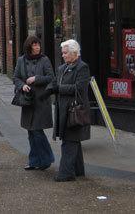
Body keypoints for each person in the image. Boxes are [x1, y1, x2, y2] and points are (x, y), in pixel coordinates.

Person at [47, 39, 90, 182]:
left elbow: (79, 88)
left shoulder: (82, 67)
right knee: (73, 139)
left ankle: (66, 173)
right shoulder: (62, 68)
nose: (63, 55)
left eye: (65, 53)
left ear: (74, 53)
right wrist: (49, 89)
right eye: (63, 53)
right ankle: (78, 171)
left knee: (69, 140)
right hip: (63, 109)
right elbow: (55, 83)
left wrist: (59, 89)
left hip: (74, 111)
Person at [13, 36, 55, 171]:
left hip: (41, 101)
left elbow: (51, 78)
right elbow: (16, 77)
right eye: (35, 45)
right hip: (27, 100)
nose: (37, 47)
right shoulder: (21, 60)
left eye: (38, 45)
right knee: (31, 132)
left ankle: (46, 159)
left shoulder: (44, 60)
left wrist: (36, 78)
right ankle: (34, 161)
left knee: (37, 131)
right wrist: (22, 86)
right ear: (29, 47)